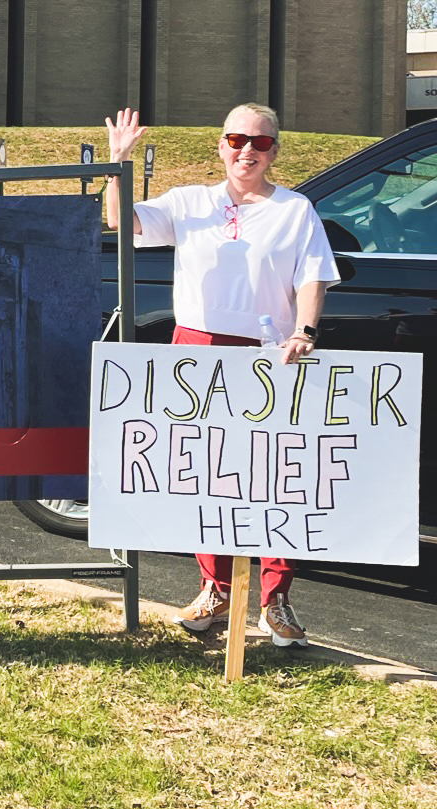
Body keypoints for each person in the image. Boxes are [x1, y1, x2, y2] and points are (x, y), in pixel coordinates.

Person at [105, 104, 338, 648]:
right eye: (237, 140)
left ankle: (275, 599)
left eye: (260, 143)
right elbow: (122, 221)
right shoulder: (191, 201)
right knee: (211, 474)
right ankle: (216, 589)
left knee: (274, 476)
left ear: (275, 151)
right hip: (198, 347)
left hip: (270, 354)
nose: (247, 151)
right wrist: (120, 162)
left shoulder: (295, 210)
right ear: (221, 145)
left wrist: (304, 330)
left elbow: (313, 276)